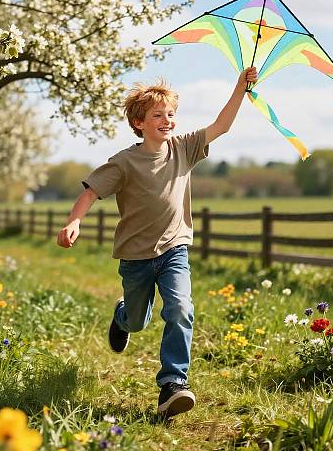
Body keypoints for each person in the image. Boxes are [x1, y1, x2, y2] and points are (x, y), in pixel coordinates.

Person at [57, 67, 258, 417]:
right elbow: (90, 193)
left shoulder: (185, 148)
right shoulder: (124, 162)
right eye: (158, 115)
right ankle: (122, 318)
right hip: (135, 257)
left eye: (171, 114)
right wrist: (74, 221)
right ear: (139, 123)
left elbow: (222, 125)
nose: (167, 120)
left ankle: (172, 384)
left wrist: (241, 87)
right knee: (137, 321)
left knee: (180, 309)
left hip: (174, 249)